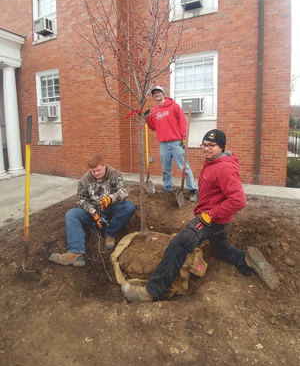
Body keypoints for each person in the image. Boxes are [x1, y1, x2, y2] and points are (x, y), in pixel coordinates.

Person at [121, 129, 280, 302]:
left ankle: (152, 291)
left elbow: (239, 200)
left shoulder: (223, 167)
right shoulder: (214, 161)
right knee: (220, 249)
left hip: (210, 220)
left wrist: (210, 215)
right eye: (204, 145)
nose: (206, 148)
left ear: (221, 147)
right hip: (220, 221)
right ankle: (248, 259)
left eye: (211, 145)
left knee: (179, 244)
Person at [49, 154, 136, 267]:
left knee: (129, 207)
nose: (96, 174)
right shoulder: (85, 180)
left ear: (104, 165)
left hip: (111, 211)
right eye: (93, 171)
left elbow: (124, 191)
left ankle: (110, 233)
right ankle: (76, 253)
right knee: (71, 214)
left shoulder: (114, 174)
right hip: (93, 214)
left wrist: (111, 198)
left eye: (98, 170)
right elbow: (81, 199)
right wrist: (92, 211)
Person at [146, 85, 198, 202]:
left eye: (158, 92)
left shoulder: (174, 106)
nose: (156, 94)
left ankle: (193, 190)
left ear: (163, 93)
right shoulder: (154, 111)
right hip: (163, 145)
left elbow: (183, 122)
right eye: (154, 93)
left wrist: (184, 139)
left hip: (176, 142)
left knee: (184, 167)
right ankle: (167, 187)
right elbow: (153, 127)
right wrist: (148, 119)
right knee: (165, 168)